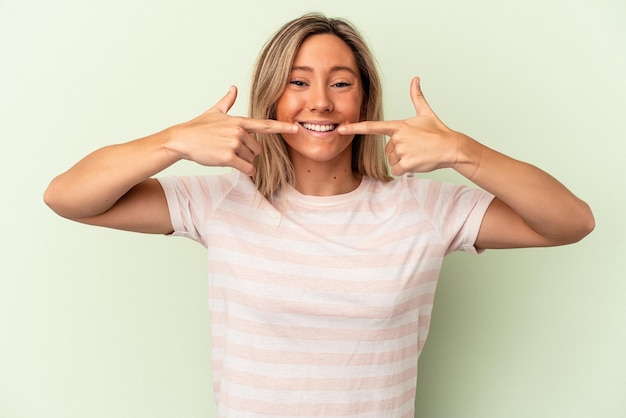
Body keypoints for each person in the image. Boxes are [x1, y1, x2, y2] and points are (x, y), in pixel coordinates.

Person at [44, 13, 594, 418]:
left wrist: (461, 152)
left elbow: (570, 221)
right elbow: (68, 196)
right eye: (298, 81)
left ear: (364, 99)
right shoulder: (222, 202)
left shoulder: (423, 208)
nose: (321, 103)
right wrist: (174, 141)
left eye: (341, 83)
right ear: (272, 98)